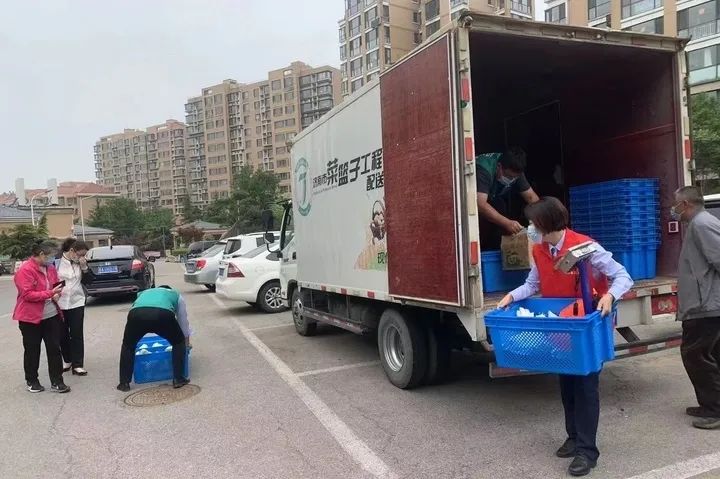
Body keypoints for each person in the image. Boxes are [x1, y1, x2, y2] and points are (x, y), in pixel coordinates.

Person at [497, 197, 633, 476]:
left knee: (585, 388)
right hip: (559, 326)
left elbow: (623, 276)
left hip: (585, 326)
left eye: (533, 224)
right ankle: (573, 437)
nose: (530, 229)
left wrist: (610, 296)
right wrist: (512, 295)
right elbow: (532, 284)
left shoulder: (585, 246)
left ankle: (587, 451)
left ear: (547, 223)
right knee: (567, 386)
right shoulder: (540, 249)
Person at [672, 186, 720, 430]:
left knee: (696, 355)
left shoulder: (702, 224)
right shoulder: (699, 223)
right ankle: (710, 405)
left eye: (675, 204)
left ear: (685, 204)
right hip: (704, 303)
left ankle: (714, 410)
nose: (673, 209)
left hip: (705, 305)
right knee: (710, 355)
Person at [12, 240, 71, 394]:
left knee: (54, 349)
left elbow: (56, 286)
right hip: (30, 318)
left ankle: (57, 382)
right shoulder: (25, 270)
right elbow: (27, 294)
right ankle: (32, 381)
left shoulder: (50, 268)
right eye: (51, 256)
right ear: (41, 254)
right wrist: (50, 293)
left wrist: (58, 293)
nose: (53, 259)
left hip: (51, 315)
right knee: (32, 350)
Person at [117, 285, 191, 391]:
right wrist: (185, 343)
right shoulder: (175, 295)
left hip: (136, 314)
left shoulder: (143, 293)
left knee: (128, 345)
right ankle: (179, 379)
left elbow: (136, 307)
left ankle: (124, 383)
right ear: (169, 289)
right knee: (178, 342)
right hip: (162, 315)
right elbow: (183, 322)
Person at [476, 147, 540, 249]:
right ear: (499, 167)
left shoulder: (515, 171)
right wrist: (506, 223)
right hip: (469, 203)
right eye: (509, 177)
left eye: (515, 178)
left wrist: (540, 222)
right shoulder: (484, 169)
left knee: (501, 207)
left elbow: (532, 198)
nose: (512, 180)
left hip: (493, 197)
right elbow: (480, 204)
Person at [57, 238, 91, 376]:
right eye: (80, 254)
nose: (82, 257)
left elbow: (89, 281)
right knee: (62, 334)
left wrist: (84, 268)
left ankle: (78, 364)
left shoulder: (81, 263)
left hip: (77, 302)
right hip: (59, 303)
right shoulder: (56, 262)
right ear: (72, 251)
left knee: (76, 333)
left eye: (84, 255)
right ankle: (67, 360)